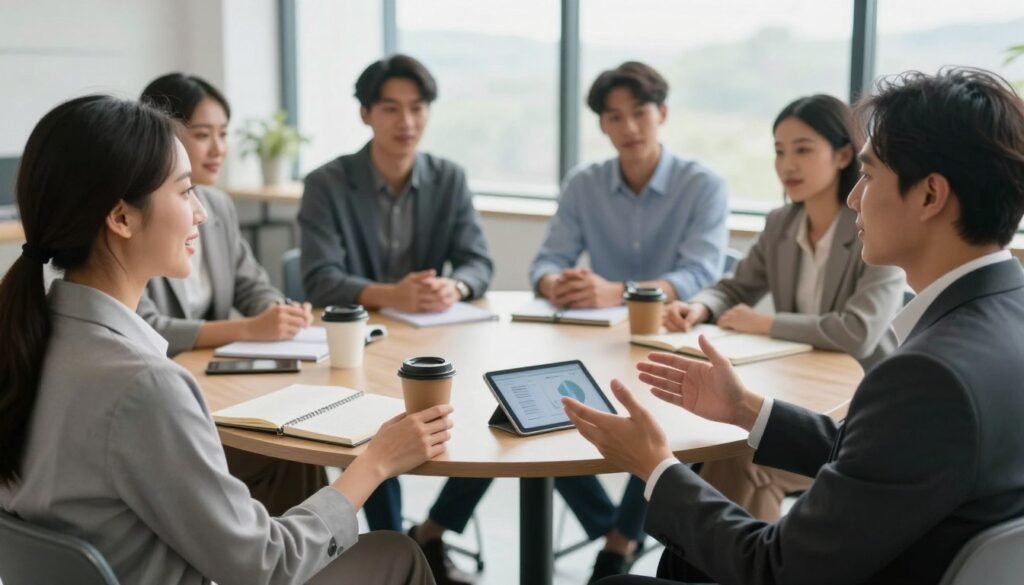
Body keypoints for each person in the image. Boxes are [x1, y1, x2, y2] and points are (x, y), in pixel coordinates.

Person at [563, 67, 1024, 585]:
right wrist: (746, 409)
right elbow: (884, 456)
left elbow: (775, 567)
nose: (855, 198)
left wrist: (656, 467)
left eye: (869, 177)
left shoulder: (926, 374)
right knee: (687, 558)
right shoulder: (1008, 316)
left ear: (929, 195)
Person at [0, 95, 453, 584]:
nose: (201, 213)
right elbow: (264, 565)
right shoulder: (143, 386)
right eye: (184, 191)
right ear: (122, 218)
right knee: (396, 553)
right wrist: (377, 462)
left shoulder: (32, 338)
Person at [298, 54, 492, 585]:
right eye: (391, 109)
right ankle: (396, 544)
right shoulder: (327, 183)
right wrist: (394, 293)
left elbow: (479, 261)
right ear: (365, 114)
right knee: (375, 428)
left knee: (496, 423)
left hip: (437, 342)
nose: (406, 122)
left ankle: (430, 534)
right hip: (360, 349)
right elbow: (318, 278)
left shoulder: (448, 178)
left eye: (417, 108)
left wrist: (456, 285)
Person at [664, 94, 905, 521]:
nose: (787, 164)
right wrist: (700, 307)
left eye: (803, 149)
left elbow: (857, 331)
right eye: (779, 151)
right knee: (727, 451)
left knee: (742, 461)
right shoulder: (781, 223)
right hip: (799, 392)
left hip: (858, 409)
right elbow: (736, 285)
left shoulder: (878, 228)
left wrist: (766, 322)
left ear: (844, 154)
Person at [138, 73, 326, 516]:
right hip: (171, 408)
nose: (219, 148)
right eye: (203, 135)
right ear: (161, 136)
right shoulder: (143, 216)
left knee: (296, 442)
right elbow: (148, 326)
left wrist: (278, 311)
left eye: (223, 134)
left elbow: (250, 280)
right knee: (289, 447)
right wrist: (247, 328)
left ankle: (306, 558)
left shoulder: (217, 205)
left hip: (215, 387)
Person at [529, 61, 728, 308]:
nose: (629, 128)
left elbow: (699, 276)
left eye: (639, 113)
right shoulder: (583, 184)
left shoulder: (703, 185)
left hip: (675, 327)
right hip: (599, 328)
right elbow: (548, 262)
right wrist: (559, 285)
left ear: (662, 113)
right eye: (615, 117)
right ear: (602, 125)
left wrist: (619, 293)